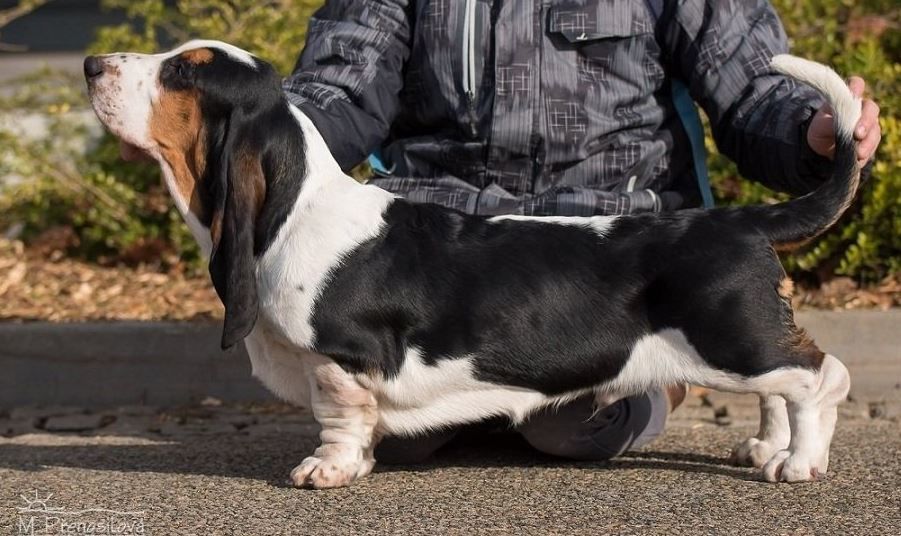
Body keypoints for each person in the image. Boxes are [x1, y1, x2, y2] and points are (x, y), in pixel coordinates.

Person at [275, 0, 880, 464]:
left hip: (612, 256)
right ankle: (472, 405)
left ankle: (655, 367)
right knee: (399, 436)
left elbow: (754, 84)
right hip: (439, 253)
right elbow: (342, 82)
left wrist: (811, 127)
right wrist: (261, 133)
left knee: (575, 428)